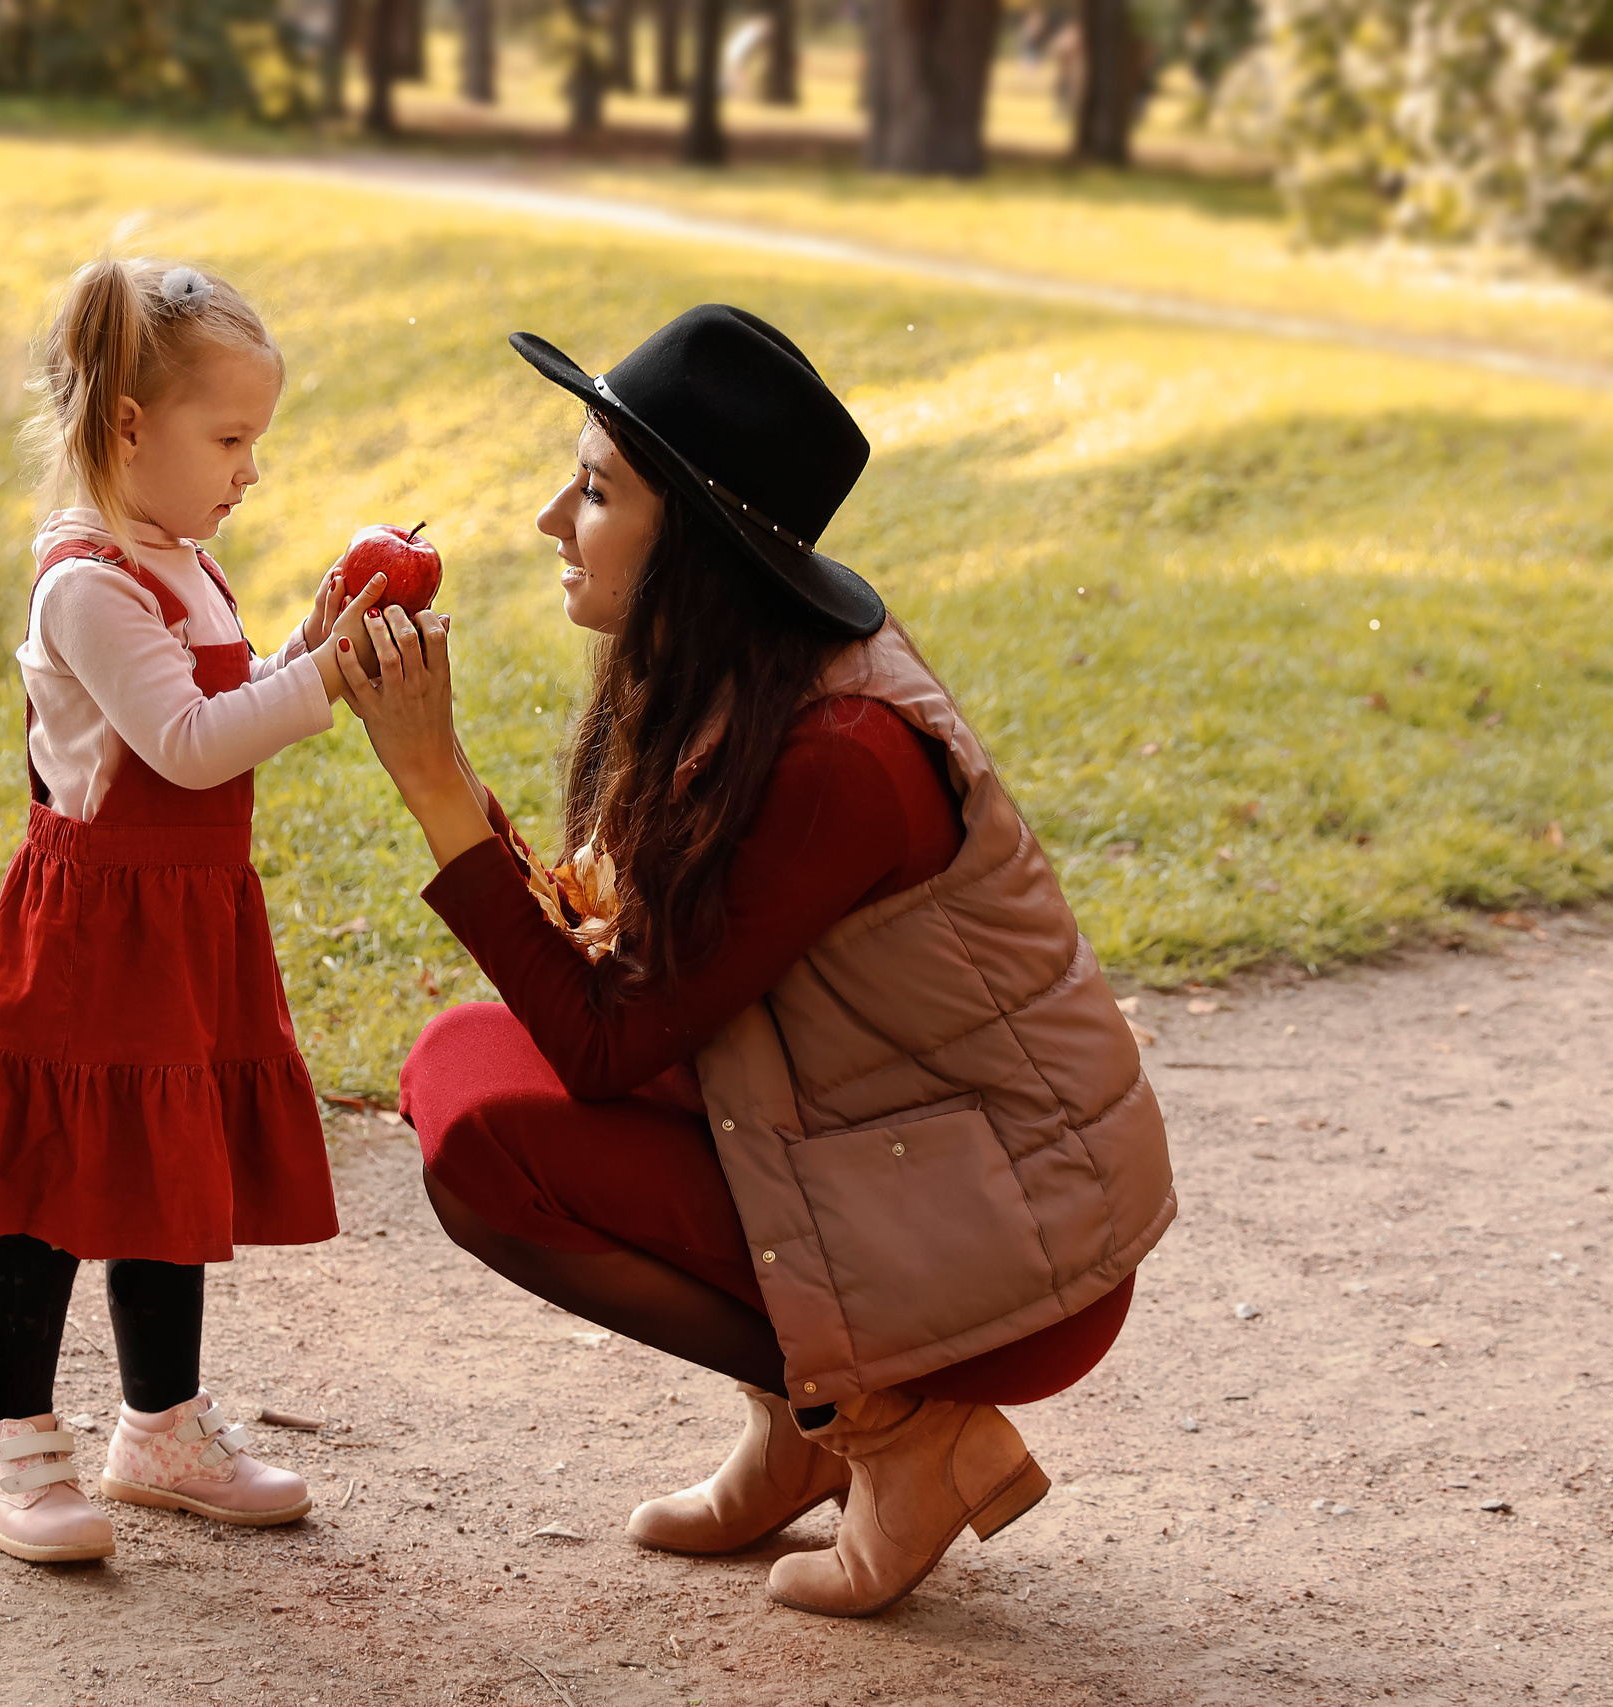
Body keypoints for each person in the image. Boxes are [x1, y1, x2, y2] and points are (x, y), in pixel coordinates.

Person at [335, 305, 1175, 1617]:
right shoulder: (734, 675)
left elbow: (607, 1043)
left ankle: (898, 1432)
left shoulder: (838, 758)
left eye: (595, 491)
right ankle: (802, 1428)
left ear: (699, 542)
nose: (553, 518)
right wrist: (442, 775)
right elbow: (629, 993)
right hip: (887, 1161)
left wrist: (435, 781)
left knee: (491, 1148)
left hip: (1010, 1247)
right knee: (463, 1064)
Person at [0, 256, 388, 1563]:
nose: (251, 471)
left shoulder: (182, 561)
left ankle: (162, 1429)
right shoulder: (86, 582)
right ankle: (7, 1447)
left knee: (162, 1165)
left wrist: (304, 649)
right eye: (229, 440)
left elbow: (216, 712)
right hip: (95, 930)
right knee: (57, 1183)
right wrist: (322, 682)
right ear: (129, 427)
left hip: (181, 920)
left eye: (255, 442)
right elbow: (185, 746)